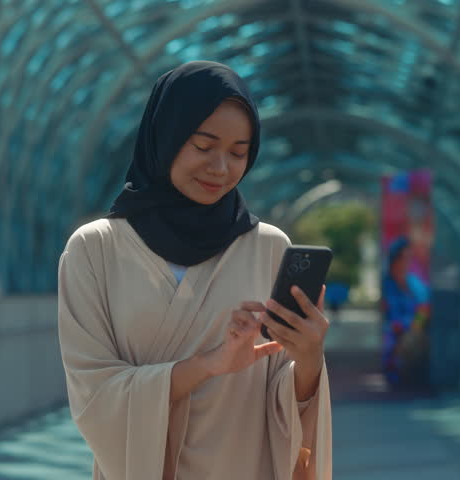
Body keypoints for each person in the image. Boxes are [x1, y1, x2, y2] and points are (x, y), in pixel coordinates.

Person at [57, 61, 332, 480]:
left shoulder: (269, 247)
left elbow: (286, 404)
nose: (220, 168)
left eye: (238, 153)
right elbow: (93, 395)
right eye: (203, 146)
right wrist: (208, 364)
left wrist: (309, 359)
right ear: (165, 136)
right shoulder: (95, 250)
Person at [380, 236, 430, 387]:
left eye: (408, 258)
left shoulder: (413, 282)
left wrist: (415, 328)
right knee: (390, 340)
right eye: (402, 257)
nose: (405, 262)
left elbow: (424, 307)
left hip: (414, 329)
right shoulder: (388, 283)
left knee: (410, 343)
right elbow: (388, 309)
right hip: (395, 328)